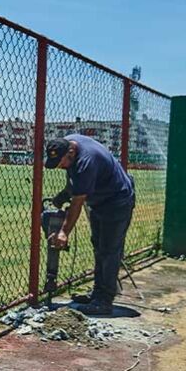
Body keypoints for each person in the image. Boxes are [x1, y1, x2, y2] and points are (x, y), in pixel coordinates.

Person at [44, 134, 135, 315]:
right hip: (101, 201)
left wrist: (64, 232)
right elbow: (74, 180)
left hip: (117, 201)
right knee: (99, 246)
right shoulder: (68, 143)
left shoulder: (87, 161)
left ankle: (104, 301)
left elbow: (77, 202)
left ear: (71, 152)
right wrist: (63, 195)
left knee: (109, 250)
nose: (60, 167)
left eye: (61, 163)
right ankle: (98, 293)